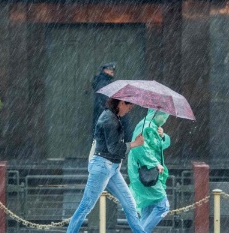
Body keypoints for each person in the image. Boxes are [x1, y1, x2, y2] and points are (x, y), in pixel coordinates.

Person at [68, 98, 146, 233]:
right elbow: (113, 148)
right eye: (129, 107)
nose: (129, 111)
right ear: (122, 103)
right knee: (85, 206)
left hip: (111, 168)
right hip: (103, 167)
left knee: (130, 205)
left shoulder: (112, 117)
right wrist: (134, 144)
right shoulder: (109, 120)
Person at [127, 109, 172, 232]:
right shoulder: (145, 125)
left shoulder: (152, 126)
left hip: (148, 173)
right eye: (165, 115)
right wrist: (155, 163)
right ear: (158, 113)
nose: (166, 119)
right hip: (145, 173)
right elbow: (140, 147)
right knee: (163, 206)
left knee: (147, 211)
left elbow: (159, 145)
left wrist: (163, 136)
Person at [91, 61, 116, 137]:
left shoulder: (105, 82)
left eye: (113, 69)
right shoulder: (103, 83)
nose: (112, 70)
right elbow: (106, 101)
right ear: (104, 70)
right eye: (109, 68)